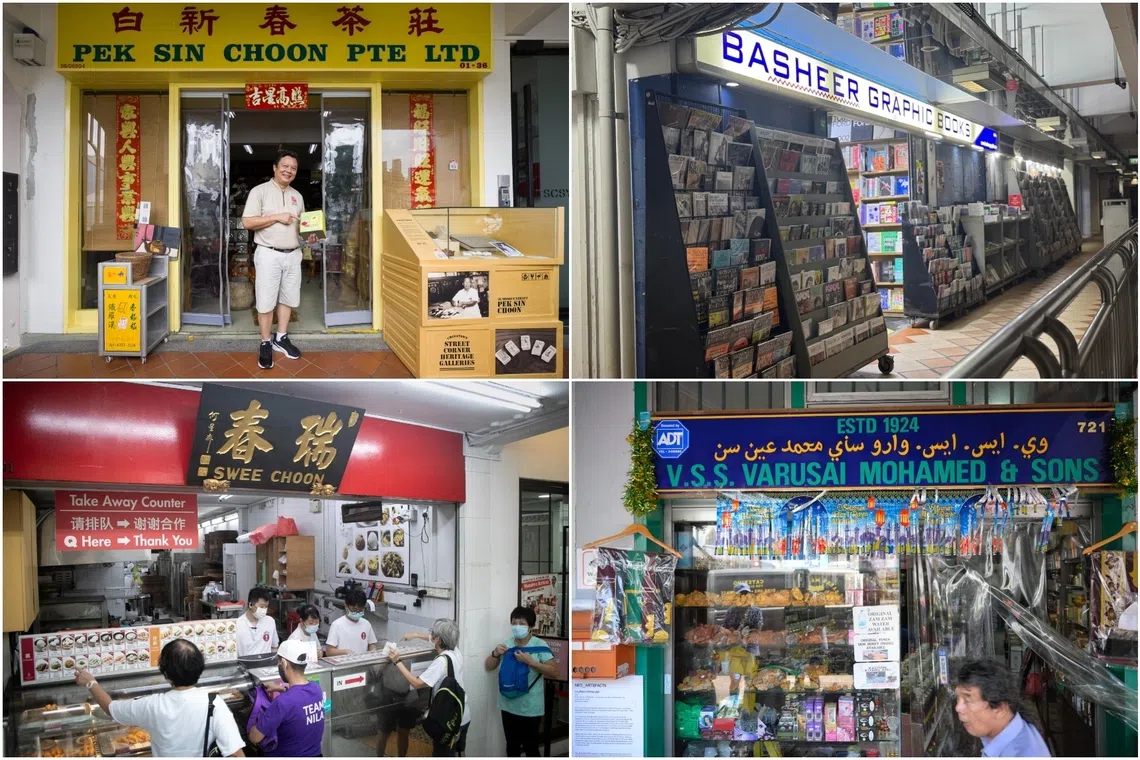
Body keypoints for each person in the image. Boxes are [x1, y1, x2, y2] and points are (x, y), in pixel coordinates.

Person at [74, 639, 245, 757]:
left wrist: (91, 683)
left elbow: (110, 708)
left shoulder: (153, 705)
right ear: (199, 669)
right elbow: (236, 754)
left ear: (166, 673)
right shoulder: (214, 703)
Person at [241, 149, 319, 369]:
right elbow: (247, 222)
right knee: (266, 301)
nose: (289, 171)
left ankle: (281, 338)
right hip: (268, 253)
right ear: (275, 168)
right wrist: (276, 217)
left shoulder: (298, 196)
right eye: (285, 166)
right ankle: (265, 341)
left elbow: (302, 226)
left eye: (293, 168)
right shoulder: (260, 191)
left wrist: (310, 235)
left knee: (288, 298)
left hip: (293, 254)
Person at [484, 607, 558, 757]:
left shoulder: (540, 645)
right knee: (512, 747)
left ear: (530, 626)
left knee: (531, 748)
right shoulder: (506, 644)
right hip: (508, 705)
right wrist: (495, 653)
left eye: (521, 623)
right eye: (514, 623)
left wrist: (531, 662)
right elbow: (489, 666)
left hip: (530, 708)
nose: (517, 626)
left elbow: (555, 672)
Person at [392, 620, 472, 757]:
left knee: (443, 754)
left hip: (448, 722)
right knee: (459, 753)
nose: (431, 636)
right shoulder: (456, 651)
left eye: (433, 635)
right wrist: (415, 635)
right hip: (463, 716)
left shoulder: (441, 662)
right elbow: (434, 639)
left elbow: (417, 683)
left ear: (438, 639)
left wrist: (397, 661)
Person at [953, 659, 1051, 757]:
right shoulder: (1013, 728)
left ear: (1000, 709)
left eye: (967, 700)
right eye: (958, 697)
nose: (958, 708)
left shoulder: (1022, 754)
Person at [250, 640, 325, 757]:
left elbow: (255, 737)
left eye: (279, 662)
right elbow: (299, 700)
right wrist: (281, 689)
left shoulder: (282, 703)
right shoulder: (316, 690)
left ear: (284, 663)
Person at [325, 588, 377, 656]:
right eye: (354, 610)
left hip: (361, 664)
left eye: (360, 610)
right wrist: (345, 652)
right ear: (346, 606)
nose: (357, 612)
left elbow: (371, 644)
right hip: (344, 664)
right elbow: (329, 652)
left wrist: (373, 651)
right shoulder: (337, 625)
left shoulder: (366, 624)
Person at [237, 587, 280, 657]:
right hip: (245, 666)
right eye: (262, 607)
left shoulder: (270, 621)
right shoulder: (238, 624)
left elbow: (274, 647)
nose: (264, 610)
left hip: (266, 666)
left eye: (266, 607)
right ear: (250, 605)